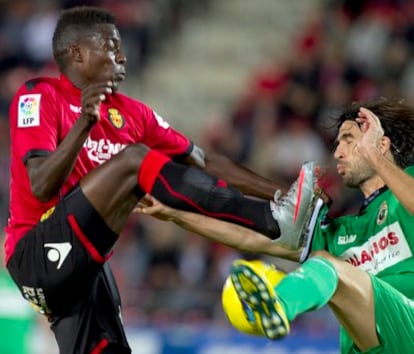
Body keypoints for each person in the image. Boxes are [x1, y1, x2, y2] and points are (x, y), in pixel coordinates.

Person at [3, 6, 319, 354]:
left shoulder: (133, 114)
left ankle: (278, 214)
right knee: (135, 160)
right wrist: (83, 125)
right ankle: (272, 224)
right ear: (77, 52)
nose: (122, 56)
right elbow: (40, 186)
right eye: (111, 46)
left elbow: (206, 161)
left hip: (86, 268)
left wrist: (280, 193)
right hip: (35, 253)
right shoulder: (39, 95)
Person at [137, 98, 414, 353]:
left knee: (325, 264)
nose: (338, 152)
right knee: (325, 264)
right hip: (372, 346)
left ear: (381, 143)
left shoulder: (406, 191)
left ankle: (277, 304)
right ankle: (275, 309)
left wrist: (375, 157)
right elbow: (250, 239)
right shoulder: (339, 233)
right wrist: (174, 214)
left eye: (348, 140)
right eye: (336, 143)